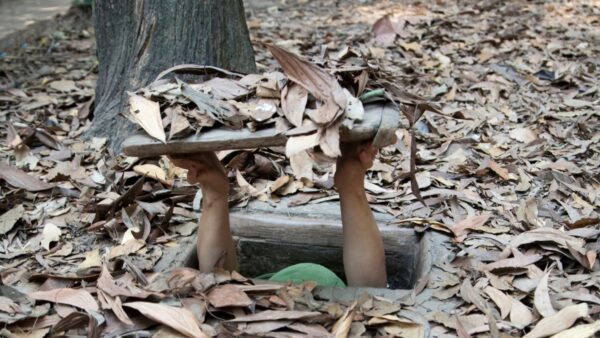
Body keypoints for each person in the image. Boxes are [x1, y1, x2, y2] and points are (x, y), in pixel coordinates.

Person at [169, 142, 387, 287]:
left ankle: (214, 194)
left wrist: (214, 196)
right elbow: (372, 299)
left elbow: (217, 291)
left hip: (262, 303)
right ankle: (351, 183)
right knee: (368, 301)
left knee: (220, 292)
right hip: (319, 298)